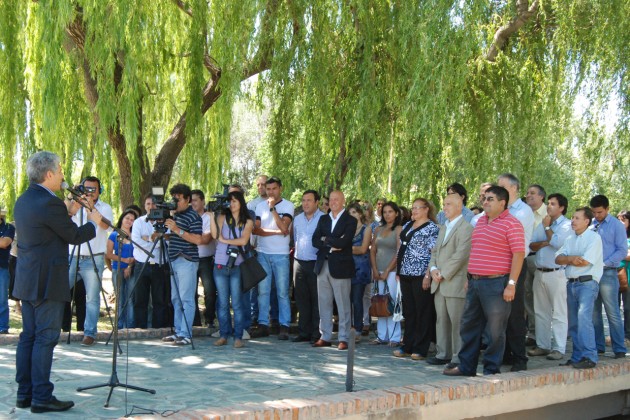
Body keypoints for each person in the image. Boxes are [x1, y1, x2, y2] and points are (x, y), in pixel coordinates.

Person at [14, 151, 101, 413]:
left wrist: (70, 210)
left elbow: (52, 229)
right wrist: (95, 224)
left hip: (28, 280)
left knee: (28, 336)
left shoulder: (24, 200)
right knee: (45, 338)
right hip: (48, 280)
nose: (63, 174)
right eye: (60, 170)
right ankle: (42, 396)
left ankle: (24, 393)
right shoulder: (49, 203)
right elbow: (73, 236)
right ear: (49, 174)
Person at [443, 186, 525, 377]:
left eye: (490, 199)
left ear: (502, 203)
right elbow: (475, 252)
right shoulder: (480, 222)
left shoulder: (512, 224)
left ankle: (491, 369)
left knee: (495, 331)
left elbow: (518, 254)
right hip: (475, 282)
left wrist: (511, 284)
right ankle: (466, 366)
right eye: (484, 199)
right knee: (469, 325)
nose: (485, 202)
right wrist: (469, 277)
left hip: (497, 284)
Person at [65, 176, 114, 346]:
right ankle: (55, 328)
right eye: (87, 188)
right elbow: (63, 219)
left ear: (100, 190)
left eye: (94, 189)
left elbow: (106, 226)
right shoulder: (75, 204)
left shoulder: (104, 207)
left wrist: (91, 209)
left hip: (94, 257)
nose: (90, 192)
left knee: (92, 298)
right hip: (72, 256)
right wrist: (72, 200)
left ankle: (90, 333)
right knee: (60, 292)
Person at [555, 207, 604, 369]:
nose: (573, 221)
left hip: (587, 284)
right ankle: (577, 357)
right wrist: (571, 258)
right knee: (574, 323)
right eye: (572, 217)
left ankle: (590, 356)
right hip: (571, 283)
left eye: (576, 218)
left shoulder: (594, 238)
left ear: (586, 221)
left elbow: (584, 261)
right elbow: (558, 259)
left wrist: (567, 259)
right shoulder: (570, 239)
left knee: (584, 319)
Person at [427, 194, 473, 366]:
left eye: (449, 204)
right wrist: (432, 269)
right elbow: (435, 252)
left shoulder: (466, 228)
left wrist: (443, 273)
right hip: (438, 281)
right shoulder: (443, 227)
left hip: (454, 281)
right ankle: (443, 353)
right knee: (441, 320)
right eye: (444, 204)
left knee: (457, 321)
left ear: (459, 206)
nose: (444, 208)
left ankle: (458, 356)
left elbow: (460, 256)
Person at [394, 198, 440, 359]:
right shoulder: (407, 225)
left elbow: (433, 253)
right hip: (405, 273)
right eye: (412, 208)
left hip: (421, 274)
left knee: (423, 311)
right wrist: (398, 270)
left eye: (417, 208)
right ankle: (407, 345)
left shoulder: (432, 228)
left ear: (426, 209)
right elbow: (400, 248)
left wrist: (428, 275)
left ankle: (420, 348)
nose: (413, 211)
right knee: (410, 311)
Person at [527, 193, 572, 360]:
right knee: (540, 311)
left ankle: (559, 348)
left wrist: (547, 230)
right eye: (549, 203)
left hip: (557, 273)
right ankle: (543, 345)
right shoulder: (545, 223)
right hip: (540, 272)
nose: (549, 206)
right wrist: (547, 240)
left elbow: (558, 243)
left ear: (561, 207)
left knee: (559, 312)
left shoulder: (566, 225)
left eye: (553, 204)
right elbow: (531, 244)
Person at [497, 173, 534, 371]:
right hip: (500, 264)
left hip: (516, 262)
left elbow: (509, 235)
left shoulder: (523, 211)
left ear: (513, 188)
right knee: (501, 312)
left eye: (501, 185)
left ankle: (520, 357)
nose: (497, 188)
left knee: (515, 313)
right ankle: (506, 354)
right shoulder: (502, 209)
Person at [312, 190, 357, 350]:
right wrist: (332, 243)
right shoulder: (323, 219)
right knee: (323, 303)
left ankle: (343, 337)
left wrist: (327, 240)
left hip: (341, 267)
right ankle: (325, 335)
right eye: (331, 200)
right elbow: (315, 240)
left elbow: (344, 242)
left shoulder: (350, 220)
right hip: (322, 265)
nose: (333, 202)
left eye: (336, 199)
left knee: (343, 303)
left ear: (343, 201)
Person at [251, 177, 294, 340]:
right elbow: (256, 230)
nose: (270, 192)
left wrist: (272, 209)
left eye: (274, 189)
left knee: (282, 292)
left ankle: (285, 325)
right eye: (268, 189)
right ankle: (263, 324)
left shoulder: (288, 205)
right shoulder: (259, 206)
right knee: (263, 291)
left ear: (280, 189)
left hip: (281, 254)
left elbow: (285, 227)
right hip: (262, 253)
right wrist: (276, 232)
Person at [211, 191, 254, 348]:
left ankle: (238, 336)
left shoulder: (247, 221)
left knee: (237, 303)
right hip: (220, 264)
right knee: (222, 303)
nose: (232, 204)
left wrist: (225, 240)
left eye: (235, 201)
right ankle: (223, 335)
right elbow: (215, 235)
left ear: (241, 202)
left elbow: (243, 241)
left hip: (237, 266)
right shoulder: (222, 217)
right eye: (230, 201)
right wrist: (211, 216)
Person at [162, 184, 203, 346]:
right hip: (173, 259)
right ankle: (178, 331)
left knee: (186, 299)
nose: (175, 202)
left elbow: (198, 240)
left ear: (187, 200)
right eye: (173, 198)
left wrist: (177, 229)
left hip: (187, 261)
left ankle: (186, 334)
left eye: (178, 199)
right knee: (175, 299)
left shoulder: (194, 217)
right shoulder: (174, 216)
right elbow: (172, 237)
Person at [589, 195, 628, 358]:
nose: (597, 215)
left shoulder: (616, 226)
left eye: (600, 212)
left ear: (607, 209)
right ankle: (599, 346)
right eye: (594, 212)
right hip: (591, 274)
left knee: (612, 311)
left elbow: (621, 250)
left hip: (608, 273)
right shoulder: (591, 224)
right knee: (594, 312)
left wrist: (605, 263)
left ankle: (619, 348)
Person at [130, 194, 170, 329]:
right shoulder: (138, 222)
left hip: (159, 265)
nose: (151, 206)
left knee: (160, 300)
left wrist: (148, 239)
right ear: (144, 206)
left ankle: (158, 329)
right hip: (141, 265)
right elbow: (136, 243)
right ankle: (139, 329)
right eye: (148, 204)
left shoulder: (165, 222)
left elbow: (166, 242)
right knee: (140, 299)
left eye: (153, 204)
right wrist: (152, 240)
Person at [292, 190, 325, 343]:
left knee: (316, 299)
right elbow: (295, 239)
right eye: (303, 200)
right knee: (301, 299)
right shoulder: (297, 219)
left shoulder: (324, 219)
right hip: (299, 262)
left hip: (316, 263)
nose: (305, 203)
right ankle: (303, 332)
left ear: (316, 202)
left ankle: (316, 334)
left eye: (309, 200)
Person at [369, 201, 403, 346]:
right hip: (378, 270)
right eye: (385, 212)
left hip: (391, 271)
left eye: (390, 211)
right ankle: (382, 336)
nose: (387, 214)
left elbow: (399, 251)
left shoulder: (399, 229)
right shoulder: (378, 229)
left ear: (396, 213)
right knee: (379, 302)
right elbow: (372, 251)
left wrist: (388, 270)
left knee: (392, 303)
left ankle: (395, 337)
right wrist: (375, 269)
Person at [524, 184, 548, 344]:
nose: (528, 196)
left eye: (532, 193)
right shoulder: (524, 214)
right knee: (527, 297)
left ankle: (544, 337)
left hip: (543, 260)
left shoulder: (549, 213)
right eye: (527, 193)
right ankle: (532, 334)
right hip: (525, 258)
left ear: (541, 196)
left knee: (542, 299)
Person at [105, 210, 136, 329]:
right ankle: (119, 326)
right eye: (127, 218)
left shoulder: (134, 235)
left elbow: (137, 254)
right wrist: (123, 260)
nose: (129, 221)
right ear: (122, 219)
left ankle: (130, 326)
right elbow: (108, 254)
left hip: (131, 270)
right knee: (120, 298)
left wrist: (129, 265)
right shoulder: (114, 235)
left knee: (130, 298)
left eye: (132, 220)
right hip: (117, 269)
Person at [191, 190, 217, 328]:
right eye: (191, 200)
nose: (192, 203)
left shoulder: (209, 217)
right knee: (191, 292)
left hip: (206, 260)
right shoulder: (187, 216)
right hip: (191, 259)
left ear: (202, 201)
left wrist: (191, 237)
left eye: (195, 200)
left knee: (210, 291)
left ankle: (209, 320)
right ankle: (195, 322)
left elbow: (206, 239)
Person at [347, 202, 371, 341]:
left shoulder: (366, 229)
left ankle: (358, 329)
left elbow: (363, 249)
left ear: (360, 214)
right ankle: (348, 328)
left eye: (354, 212)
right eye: (350, 213)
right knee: (347, 300)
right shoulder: (346, 229)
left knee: (357, 299)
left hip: (361, 269)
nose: (352, 215)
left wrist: (345, 248)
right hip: (347, 268)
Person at [0, 209, 15, 334]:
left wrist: (2, 241)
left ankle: (3, 327)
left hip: (2, 267)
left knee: (2, 298)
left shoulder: (9, 227)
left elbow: (5, 242)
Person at [617, 210, 630, 346]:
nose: (620, 223)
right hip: (614, 275)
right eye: (619, 220)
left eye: (623, 220)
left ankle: (628, 335)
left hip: (628, 276)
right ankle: (617, 335)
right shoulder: (616, 236)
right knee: (614, 308)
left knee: (628, 308)